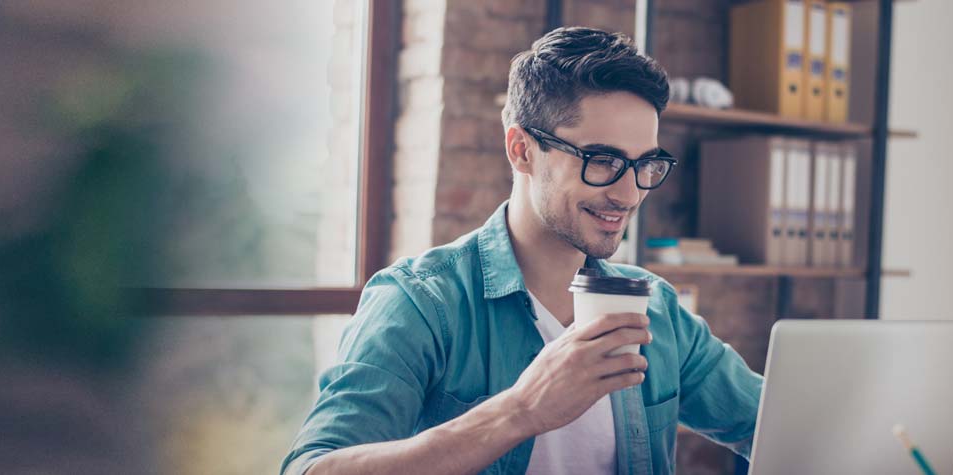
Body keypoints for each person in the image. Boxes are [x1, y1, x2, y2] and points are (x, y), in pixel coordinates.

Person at [283, 27, 762, 475]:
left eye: (645, 165)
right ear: (522, 150)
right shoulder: (422, 304)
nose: (629, 194)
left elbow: (768, 422)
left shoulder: (657, 309)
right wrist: (521, 410)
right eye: (603, 161)